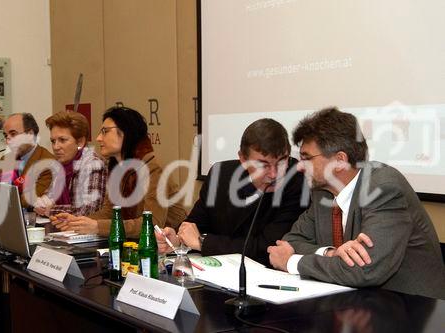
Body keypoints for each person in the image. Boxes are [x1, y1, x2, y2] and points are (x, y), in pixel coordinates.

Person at [267, 107, 445, 299]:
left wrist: (292, 262)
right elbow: (291, 241)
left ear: (340, 161)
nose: (300, 166)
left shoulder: (383, 188)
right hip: (356, 302)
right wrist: (330, 253)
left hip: (412, 311)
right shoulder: (322, 194)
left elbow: (364, 271)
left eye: (307, 158)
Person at [157, 118, 307, 265]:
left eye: (282, 161)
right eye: (263, 165)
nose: (274, 174)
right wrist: (177, 240)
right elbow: (195, 225)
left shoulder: (297, 182)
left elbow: (266, 249)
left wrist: (202, 242)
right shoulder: (220, 175)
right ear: (243, 159)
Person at [51, 106, 186, 238]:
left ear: (126, 132)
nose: (98, 138)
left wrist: (97, 226)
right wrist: (77, 222)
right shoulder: (118, 168)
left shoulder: (154, 168)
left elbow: (152, 224)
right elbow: (109, 212)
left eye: (105, 131)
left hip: (169, 247)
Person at [33, 111, 107, 217]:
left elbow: (87, 211)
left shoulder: (92, 164)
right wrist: (42, 203)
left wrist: (50, 210)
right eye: (53, 141)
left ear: (80, 142)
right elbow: (49, 197)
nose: (55, 147)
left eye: (62, 140)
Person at [0, 113, 55, 207]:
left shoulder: (48, 162)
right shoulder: (6, 159)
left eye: (13, 134)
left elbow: (30, 200)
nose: (7, 141)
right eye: (6, 136)